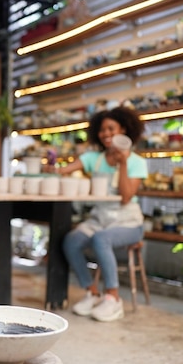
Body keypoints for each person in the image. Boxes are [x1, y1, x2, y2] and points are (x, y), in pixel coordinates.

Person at [48, 106, 147, 322]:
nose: (106, 134)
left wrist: (122, 164)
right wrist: (51, 168)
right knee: (71, 241)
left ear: (123, 129)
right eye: (102, 130)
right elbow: (64, 170)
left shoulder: (137, 162)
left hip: (129, 223)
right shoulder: (94, 158)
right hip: (101, 217)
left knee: (101, 238)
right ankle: (92, 292)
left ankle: (113, 299)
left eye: (111, 128)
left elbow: (126, 197)